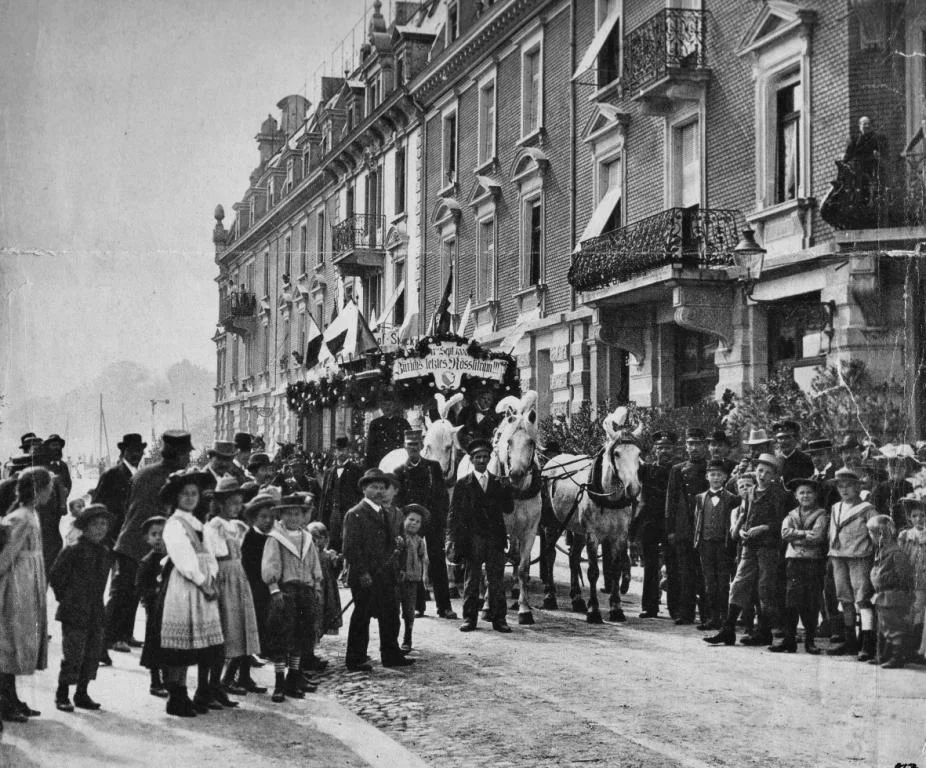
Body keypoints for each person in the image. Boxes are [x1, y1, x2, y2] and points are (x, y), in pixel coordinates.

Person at [109, 430, 192, 656]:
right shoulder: (175, 478)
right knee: (127, 593)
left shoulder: (144, 472)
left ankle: (122, 635)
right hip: (146, 543)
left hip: (131, 539)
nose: (189, 457)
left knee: (128, 591)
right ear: (178, 454)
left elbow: (128, 506)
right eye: (186, 453)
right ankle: (112, 637)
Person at [157, 469, 228, 717]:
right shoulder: (174, 524)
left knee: (195, 643)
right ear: (176, 497)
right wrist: (201, 580)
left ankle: (190, 693)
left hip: (203, 584)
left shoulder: (199, 524)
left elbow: (209, 554)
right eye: (184, 494)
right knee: (180, 644)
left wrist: (212, 575)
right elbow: (183, 558)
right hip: (185, 585)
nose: (189, 498)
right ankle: (177, 694)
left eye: (193, 494)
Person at [705, 454, 789, 647]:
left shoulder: (779, 494)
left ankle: (764, 631)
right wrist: (742, 531)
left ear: (774, 476)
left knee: (764, 588)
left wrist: (765, 528)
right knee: (738, 584)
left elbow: (781, 522)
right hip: (749, 546)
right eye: (760, 470)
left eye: (768, 472)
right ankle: (728, 629)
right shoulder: (750, 492)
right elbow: (746, 516)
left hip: (768, 547)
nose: (762, 475)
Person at [342, 468, 412, 670]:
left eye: (382, 487)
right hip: (366, 576)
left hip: (386, 573)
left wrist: (397, 562)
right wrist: (362, 572)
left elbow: (392, 543)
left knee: (390, 614)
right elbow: (350, 548)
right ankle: (355, 658)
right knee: (362, 616)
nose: (379, 491)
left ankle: (391, 655)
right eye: (374, 487)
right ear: (364, 489)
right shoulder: (355, 514)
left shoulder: (385, 512)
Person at [0, 467, 53, 723]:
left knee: (18, 643)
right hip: (15, 587)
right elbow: (5, 555)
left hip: (27, 582)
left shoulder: (31, 513)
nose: (51, 493)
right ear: (37, 490)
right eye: (48, 488)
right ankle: (5, 701)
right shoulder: (20, 517)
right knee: (10, 642)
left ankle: (11, 697)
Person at [48, 503, 113, 712]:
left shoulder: (104, 551)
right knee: (73, 653)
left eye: (104, 524)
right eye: (95, 524)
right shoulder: (73, 549)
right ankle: (62, 693)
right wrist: (67, 599)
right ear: (84, 526)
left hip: (95, 610)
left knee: (92, 653)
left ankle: (82, 692)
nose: (100, 528)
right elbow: (57, 576)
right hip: (74, 610)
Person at [447, 439, 514, 634]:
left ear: (489, 458)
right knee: (471, 580)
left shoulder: (497, 483)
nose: (482, 460)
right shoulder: (463, 484)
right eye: (478, 457)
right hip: (472, 539)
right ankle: (469, 619)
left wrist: (507, 488)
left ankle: (499, 619)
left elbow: (508, 509)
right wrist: (451, 538)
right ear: (471, 459)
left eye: (485, 457)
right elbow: (454, 513)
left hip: (494, 538)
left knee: (496, 581)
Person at [262, 495, 324, 701]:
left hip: (304, 590)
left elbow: (314, 563)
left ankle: (293, 677)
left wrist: (316, 585)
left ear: (303, 515)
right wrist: (274, 588)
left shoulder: (306, 538)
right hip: (285, 591)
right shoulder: (276, 537)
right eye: (288, 513)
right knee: (282, 634)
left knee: (301, 634)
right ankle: (279, 681)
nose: (293, 517)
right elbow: (271, 564)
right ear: (281, 515)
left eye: (297, 513)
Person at [204, 478, 261, 698]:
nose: (237, 508)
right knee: (226, 628)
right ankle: (215, 682)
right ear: (220, 503)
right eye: (232, 503)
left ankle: (227, 679)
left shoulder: (237, 526)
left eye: (239, 503)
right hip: (225, 576)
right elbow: (214, 554)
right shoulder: (215, 526)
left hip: (238, 576)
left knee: (240, 628)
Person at [393, 429, 456, 619]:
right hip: (411, 523)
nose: (413, 448)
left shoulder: (433, 467)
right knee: (413, 560)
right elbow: (397, 501)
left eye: (416, 445)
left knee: (437, 560)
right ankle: (418, 605)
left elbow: (442, 495)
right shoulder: (399, 472)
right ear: (405, 447)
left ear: (422, 447)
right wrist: (405, 521)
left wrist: (440, 518)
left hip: (432, 520)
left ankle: (444, 606)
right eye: (409, 445)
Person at [770, 478, 829, 654]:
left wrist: (795, 536)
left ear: (816, 495)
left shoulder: (821, 515)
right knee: (791, 600)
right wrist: (804, 534)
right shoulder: (791, 515)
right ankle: (789, 639)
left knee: (810, 601)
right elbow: (784, 533)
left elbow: (818, 536)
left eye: (809, 492)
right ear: (796, 495)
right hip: (793, 560)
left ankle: (810, 641)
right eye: (801, 492)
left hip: (813, 561)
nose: (805, 496)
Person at [826, 467, 878, 660]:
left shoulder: (867, 509)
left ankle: (867, 642)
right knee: (844, 598)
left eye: (848, 486)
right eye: (840, 486)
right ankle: (850, 641)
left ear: (857, 488)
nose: (844, 490)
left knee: (862, 598)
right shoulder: (835, 507)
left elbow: (876, 535)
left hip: (859, 557)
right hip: (838, 556)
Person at [664, 428, 709, 626]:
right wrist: (671, 529)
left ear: (705, 446)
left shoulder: (711, 468)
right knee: (685, 572)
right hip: (684, 528)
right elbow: (670, 502)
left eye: (698, 444)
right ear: (686, 446)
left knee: (704, 572)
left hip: (706, 526)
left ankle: (708, 613)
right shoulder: (677, 469)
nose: (694, 448)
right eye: (690, 444)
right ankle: (686, 612)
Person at [632, 431, 676, 619]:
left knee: (673, 565)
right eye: (660, 448)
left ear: (673, 450)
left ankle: (675, 607)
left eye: (667, 448)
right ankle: (649, 606)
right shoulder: (646, 470)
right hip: (649, 523)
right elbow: (631, 483)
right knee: (650, 565)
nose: (664, 451)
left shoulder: (678, 470)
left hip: (670, 523)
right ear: (655, 450)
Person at [239, 493, 278, 692]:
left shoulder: (271, 538)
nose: (268, 521)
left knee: (258, 632)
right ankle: (239, 676)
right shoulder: (250, 537)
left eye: (271, 517)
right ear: (254, 517)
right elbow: (246, 565)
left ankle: (243, 675)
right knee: (248, 634)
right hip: (251, 589)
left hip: (265, 590)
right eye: (263, 517)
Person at [693, 459, 736, 631]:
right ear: (707, 476)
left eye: (719, 475)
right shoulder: (700, 498)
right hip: (706, 544)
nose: (716, 478)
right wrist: (697, 541)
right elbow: (697, 521)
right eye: (713, 474)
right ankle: (712, 617)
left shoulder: (732, 498)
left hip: (723, 545)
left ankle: (725, 618)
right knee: (709, 582)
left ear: (725, 477)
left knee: (723, 582)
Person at [867, 514, 914, 668]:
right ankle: (883, 655)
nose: (870, 536)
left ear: (881, 534)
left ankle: (897, 656)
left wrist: (888, 581)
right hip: (882, 595)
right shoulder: (881, 551)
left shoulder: (896, 553)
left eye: (872, 533)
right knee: (883, 627)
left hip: (893, 596)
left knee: (894, 627)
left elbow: (904, 576)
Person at [93, 433, 147, 548]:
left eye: (138, 450)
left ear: (143, 453)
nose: (136, 454)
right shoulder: (111, 474)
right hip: (114, 538)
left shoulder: (142, 476)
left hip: (135, 537)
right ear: (123, 452)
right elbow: (96, 507)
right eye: (131, 450)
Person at [135, 515, 169, 697]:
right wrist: (153, 592)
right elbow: (140, 586)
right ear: (147, 538)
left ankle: (169, 679)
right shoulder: (148, 561)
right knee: (155, 644)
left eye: (162, 534)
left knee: (170, 644)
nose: (158, 538)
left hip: (171, 608)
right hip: (155, 609)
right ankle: (155, 681)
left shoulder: (173, 558)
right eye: (154, 534)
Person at [318, 436, 363, 552]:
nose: (341, 453)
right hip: (333, 511)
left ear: (349, 451)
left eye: (344, 450)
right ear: (334, 452)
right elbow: (324, 496)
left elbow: (360, 495)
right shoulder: (329, 472)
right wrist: (322, 518)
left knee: (348, 541)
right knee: (332, 542)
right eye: (338, 450)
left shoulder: (356, 470)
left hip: (349, 511)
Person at [307, 522, 342, 666]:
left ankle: (311, 653)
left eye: (319, 538)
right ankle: (307, 654)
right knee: (313, 620)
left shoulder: (328, 555)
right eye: (313, 538)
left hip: (327, 592)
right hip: (315, 590)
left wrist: (337, 561)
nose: (316, 541)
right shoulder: (310, 554)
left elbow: (336, 569)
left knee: (322, 618)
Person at [897, 495, 926, 662]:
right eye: (915, 516)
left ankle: (921, 649)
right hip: (910, 578)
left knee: (921, 611)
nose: (919, 519)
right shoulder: (905, 535)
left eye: (923, 515)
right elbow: (900, 557)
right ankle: (909, 648)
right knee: (911, 610)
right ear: (910, 517)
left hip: (923, 577)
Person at [398, 504, 430, 652]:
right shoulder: (399, 538)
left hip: (413, 580)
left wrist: (424, 576)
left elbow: (424, 559)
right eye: (411, 519)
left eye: (417, 522)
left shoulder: (419, 541)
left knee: (409, 610)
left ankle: (407, 637)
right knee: (393, 610)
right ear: (404, 519)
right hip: (398, 579)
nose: (414, 523)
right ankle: (391, 639)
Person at [870, 453, 916, 528]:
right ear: (887, 468)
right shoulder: (880, 488)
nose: (897, 469)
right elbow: (874, 511)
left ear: (905, 469)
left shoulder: (910, 487)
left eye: (901, 466)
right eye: (893, 466)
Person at [365, 400, 411, 470]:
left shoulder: (403, 423)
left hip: (399, 461)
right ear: (381, 406)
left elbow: (410, 443)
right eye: (384, 404)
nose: (387, 407)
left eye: (389, 404)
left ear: (394, 406)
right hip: (381, 462)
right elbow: (370, 448)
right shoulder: (375, 424)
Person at [773, 420, 815, 486]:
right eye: (780, 438)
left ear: (796, 439)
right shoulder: (774, 461)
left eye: (787, 437)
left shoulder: (807, 460)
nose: (783, 441)